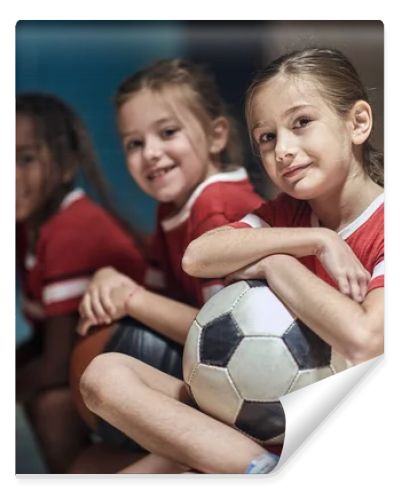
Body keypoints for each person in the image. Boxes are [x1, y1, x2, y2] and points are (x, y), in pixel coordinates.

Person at [78, 48, 384, 474]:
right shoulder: (287, 215)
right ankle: (256, 471)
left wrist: (276, 264)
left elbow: (366, 339)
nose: (284, 150)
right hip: (260, 410)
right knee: (102, 376)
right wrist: (315, 240)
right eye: (267, 137)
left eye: (301, 123)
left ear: (358, 122)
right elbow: (198, 256)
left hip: (351, 422)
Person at [73, 58, 263, 470]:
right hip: (226, 377)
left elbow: (223, 335)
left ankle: (254, 465)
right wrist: (114, 282)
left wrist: (133, 300)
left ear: (216, 135)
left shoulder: (215, 210)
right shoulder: (173, 208)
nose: (151, 154)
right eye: (134, 143)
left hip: (258, 382)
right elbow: (160, 294)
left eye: (167, 132)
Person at [16, 93, 146, 472]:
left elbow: (55, 365)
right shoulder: (27, 228)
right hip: (99, 361)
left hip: (145, 366)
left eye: (25, 159)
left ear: (67, 164)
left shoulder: (71, 231)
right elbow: (43, 337)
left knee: (51, 401)